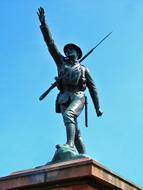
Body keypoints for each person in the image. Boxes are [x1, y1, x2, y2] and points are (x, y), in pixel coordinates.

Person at [37, 7, 102, 154]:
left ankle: (70, 145)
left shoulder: (84, 69)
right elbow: (51, 44)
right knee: (75, 129)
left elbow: (93, 88)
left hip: (78, 96)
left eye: (71, 50)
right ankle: (83, 155)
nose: (68, 51)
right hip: (63, 97)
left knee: (69, 115)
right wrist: (43, 25)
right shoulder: (61, 62)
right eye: (67, 50)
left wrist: (97, 107)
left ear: (77, 53)